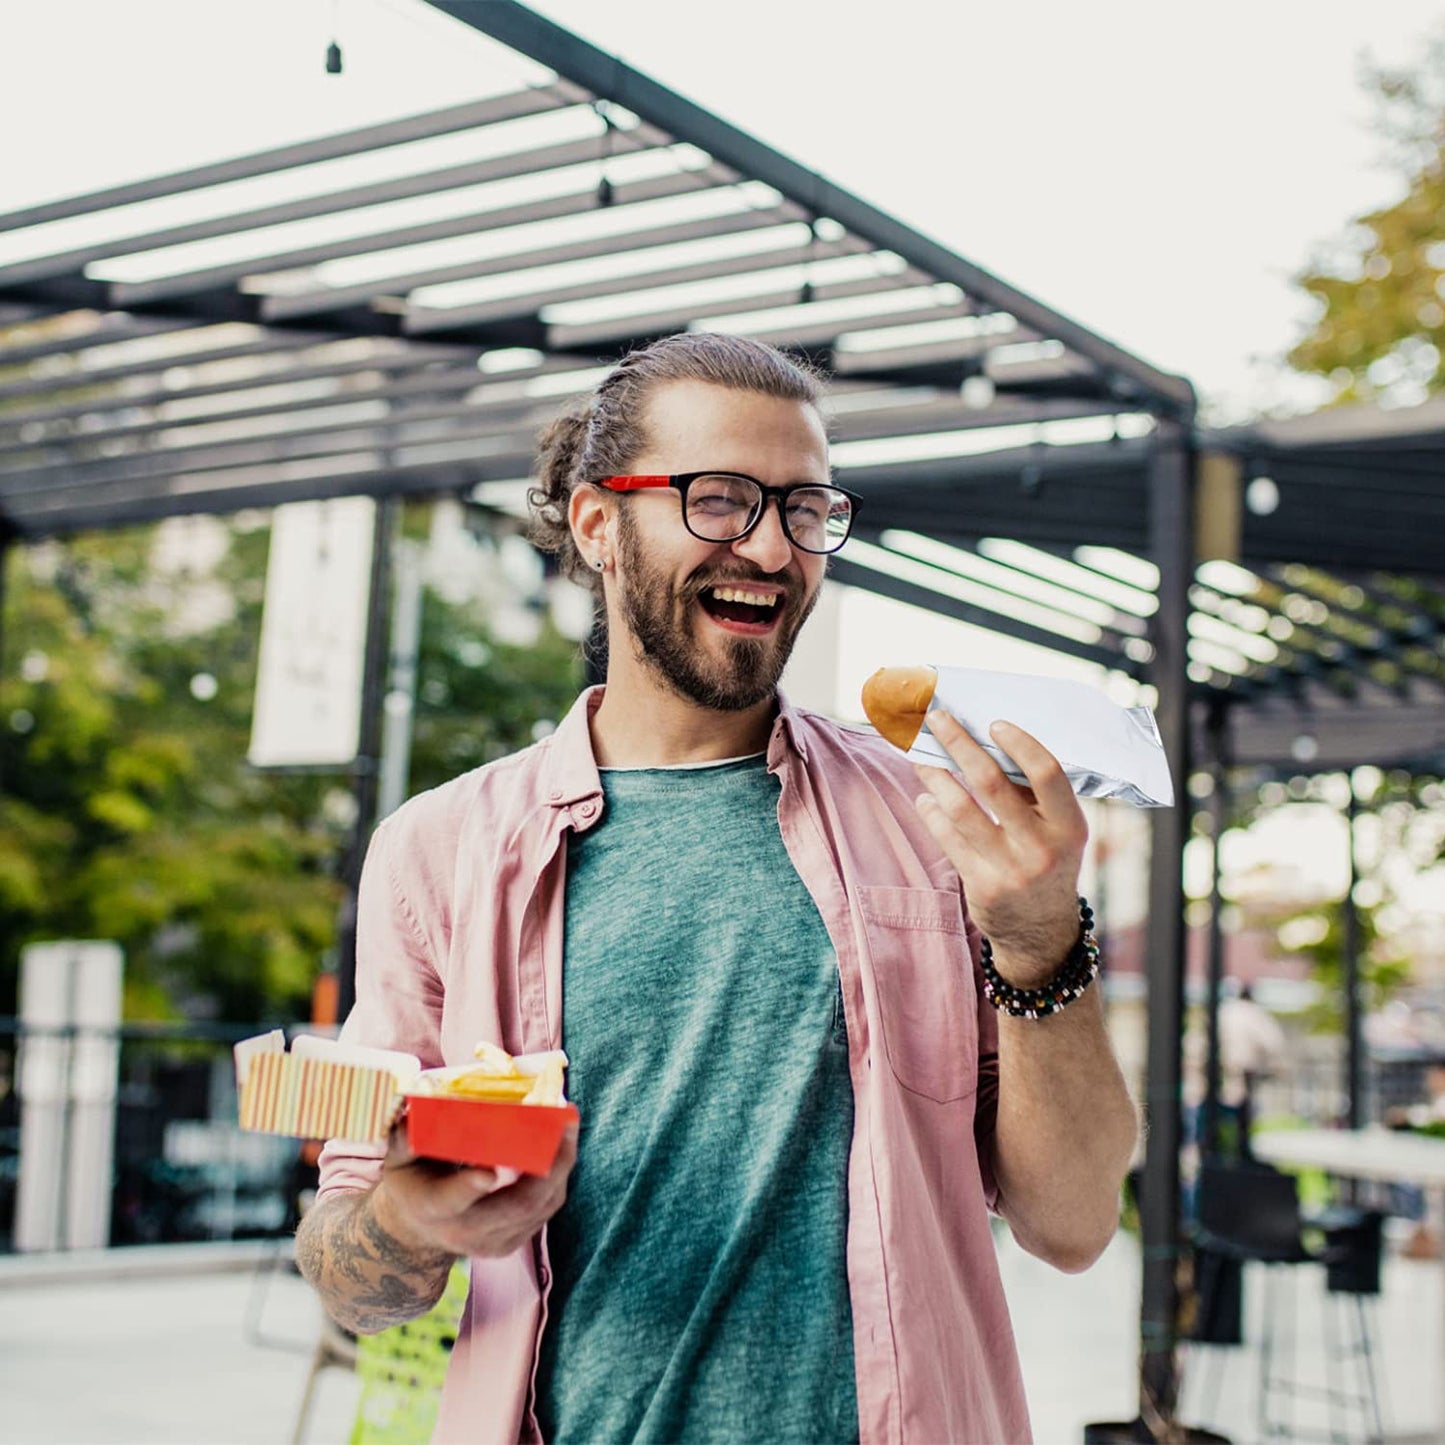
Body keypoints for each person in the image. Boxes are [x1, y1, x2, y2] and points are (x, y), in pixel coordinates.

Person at [295, 332, 1140, 1445]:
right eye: (719, 499)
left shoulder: (930, 821)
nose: (770, 547)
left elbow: (1073, 1222)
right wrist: (410, 1215)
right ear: (598, 524)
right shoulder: (440, 850)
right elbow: (352, 1277)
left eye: (803, 508)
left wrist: (1040, 941)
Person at [1216, 980, 1286, 1158]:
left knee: (1220, 1109)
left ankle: (1220, 1149)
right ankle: (1240, 1152)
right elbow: (1272, 1042)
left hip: (1220, 1067)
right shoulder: (1254, 1012)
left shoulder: (1225, 1011)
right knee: (1242, 1116)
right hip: (1245, 1068)